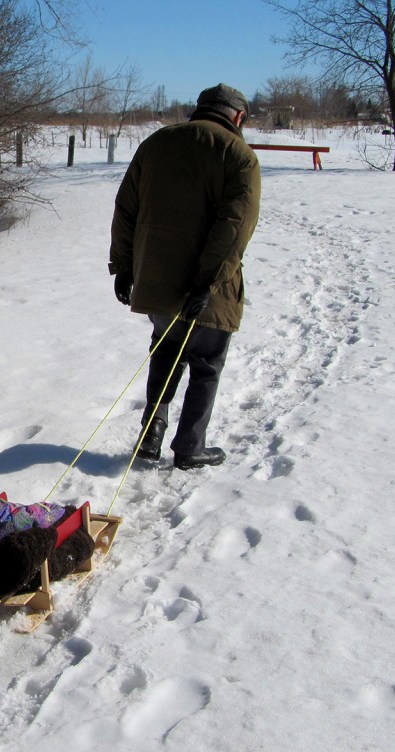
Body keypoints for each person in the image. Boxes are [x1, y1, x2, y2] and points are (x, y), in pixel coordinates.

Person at [109, 83, 261, 470]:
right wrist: (208, 283)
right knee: (207, 363)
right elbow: (235, 226)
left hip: (156, 280)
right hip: (205, 287)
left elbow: (127, 207)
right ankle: (190, 447)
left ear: (201, 109)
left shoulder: (156, 143)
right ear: (238, 117)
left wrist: (124, 266)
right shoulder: (239, 156)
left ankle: (151, 434)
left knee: (166, 350)